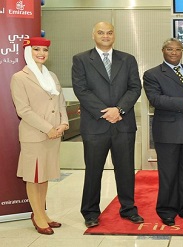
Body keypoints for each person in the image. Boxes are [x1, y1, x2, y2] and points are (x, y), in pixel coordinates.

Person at [72, 21, 143, 228]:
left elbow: (134, 87)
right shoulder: (81, 59)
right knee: (93, 170)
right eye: (101, 32)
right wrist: (106, 112)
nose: (105, 36)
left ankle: (128, 209)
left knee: (126, 169)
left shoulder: (127, 59)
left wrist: (118, 109)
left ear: (114, 35)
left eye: (109, 32)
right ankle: (90, 212)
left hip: (123, 124)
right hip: (95, 125)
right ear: (93, 35)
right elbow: (81, 90)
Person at [143, 38, 183, 226]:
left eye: (178, 49)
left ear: (182, 51)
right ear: (163, 50)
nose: (174, 52)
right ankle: (167, 210)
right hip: (168, 132)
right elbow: (156, 99)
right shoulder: (152, 74)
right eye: (170, 49)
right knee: (168, 174)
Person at [10, 37, 68, 235]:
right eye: (36, 49)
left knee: (44, 176)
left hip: (54, 134)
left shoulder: (51, 75)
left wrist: (64, 123)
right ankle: (37, 216)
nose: (41, 53)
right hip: (35, 135)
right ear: (28, 52)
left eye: (44, 50)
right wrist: (47, 128)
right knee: (34, 177)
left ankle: (42, 213)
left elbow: (60, 102)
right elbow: (23, 110)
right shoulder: (20, 77)